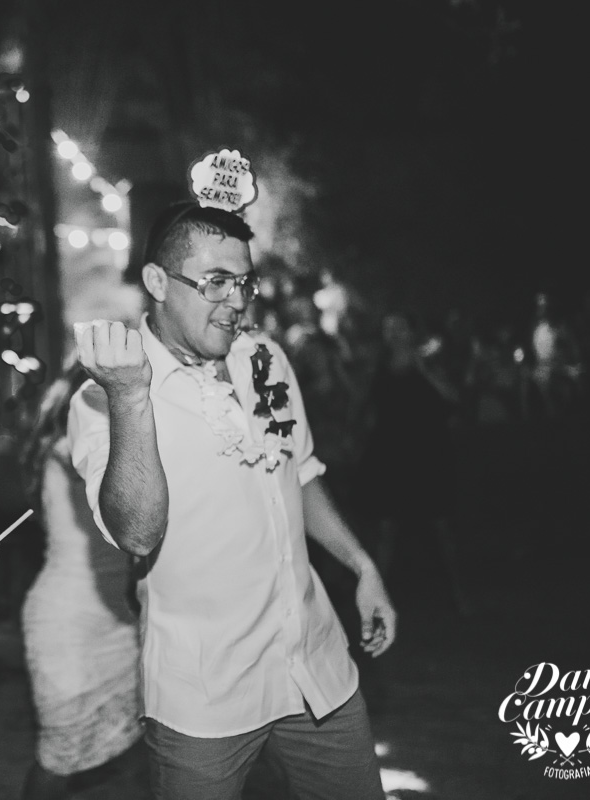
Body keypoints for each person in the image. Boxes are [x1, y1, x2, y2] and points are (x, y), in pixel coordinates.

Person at [67, 200, 396, 800]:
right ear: (157, 281)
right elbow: (136, 533)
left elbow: (300, 473)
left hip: (316, 666)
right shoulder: (102, 397)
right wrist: (131, 396)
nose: (236, 300)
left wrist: (361, 565)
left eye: (244, 282)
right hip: (205, 696)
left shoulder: (265, 359)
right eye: (215, 281)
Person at [19, 362, 143, 800]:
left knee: (131, 743)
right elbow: (103, 469)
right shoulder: (67, 449)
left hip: (120, 618)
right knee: (59, 755)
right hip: (66, 622)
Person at [357, 312, 472, 617]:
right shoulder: (380, 368)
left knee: (441, 529)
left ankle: (460, 594)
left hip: (426, 454)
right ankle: (377, 603)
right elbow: (367, 406)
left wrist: (424, 369)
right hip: (392, 455)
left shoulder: (428, 362)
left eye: (399, 327)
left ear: (411, 331)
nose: (393, 333)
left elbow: (453, 397)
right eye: (388, 329)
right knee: (386, 530)